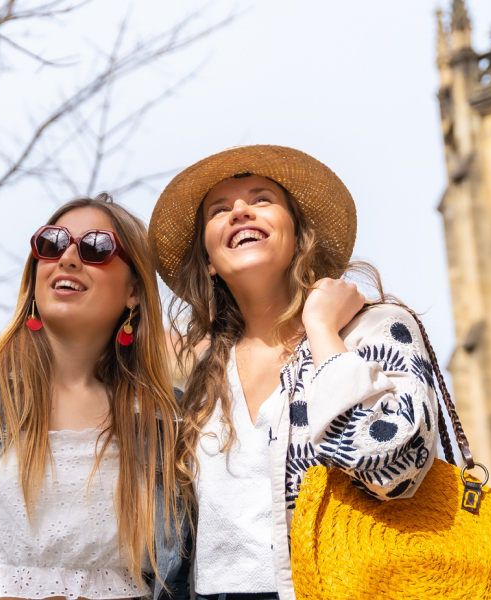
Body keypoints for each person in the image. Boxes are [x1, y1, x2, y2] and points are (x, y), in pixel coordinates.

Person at [148, 145, 453, 600]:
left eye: (261, 199)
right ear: (209, 260)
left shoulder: (373, 329)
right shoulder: (203, 380)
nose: (239, 211)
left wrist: (322, 331)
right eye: (219, 209)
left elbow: (394, 466)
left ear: (298, 235)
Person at [0, 194, 193, 600]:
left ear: (134, 291)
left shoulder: (168, 418)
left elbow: (194, 560)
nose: (68, 258)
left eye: (96, 247)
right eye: (52, 243)